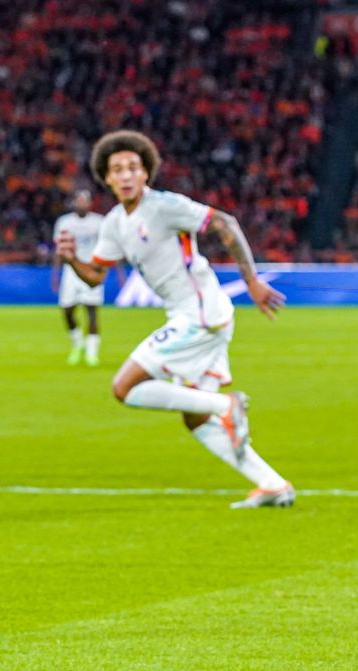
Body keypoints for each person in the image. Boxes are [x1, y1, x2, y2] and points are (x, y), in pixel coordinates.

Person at [56, 130, 295, 509]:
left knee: (124, 388)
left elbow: (225, 223)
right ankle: (273, 484)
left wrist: (251, 280)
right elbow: (96, 275)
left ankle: (226, 406)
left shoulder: (164, 206)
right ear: (107, 178)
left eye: (133, 167)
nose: (126, 175)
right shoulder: (115, 223)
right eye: (117, 169)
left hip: (199, 314)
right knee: (194, 418)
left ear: (145, 172)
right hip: (197, 315)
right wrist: (71, 259)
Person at [52, 190, 121, 366]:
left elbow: (110, 248)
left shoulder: (99, 222)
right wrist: (55, 275)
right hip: (70, 271)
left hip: (91, 268)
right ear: (74, 203)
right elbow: (59, 250)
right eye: (78, 200)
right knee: (67, 311)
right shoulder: (64, 222)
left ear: (90, 203)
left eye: (84, 201)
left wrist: (119, 273)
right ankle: (78, 345)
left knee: (91, 311)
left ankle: (92, 354)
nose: (81, 204)